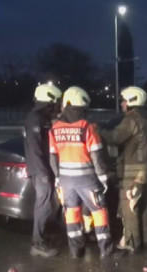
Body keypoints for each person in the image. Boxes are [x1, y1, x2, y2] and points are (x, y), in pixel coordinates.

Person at [48, 86, 113, 258]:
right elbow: (96, 156)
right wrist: (103, 178)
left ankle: (76, 250)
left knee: (72, 213)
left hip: (66, 181)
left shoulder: (55, 129)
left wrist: (58, 179)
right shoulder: (87, 127)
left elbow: (53, 157)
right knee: (99, 211)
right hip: (87, 180)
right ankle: (106, 250)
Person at [100, 86, 147, 252]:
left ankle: (132, 242)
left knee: (128, 207)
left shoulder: (130, 121)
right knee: (142, 206)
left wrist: (99, 131)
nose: (122, 104)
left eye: (124, 101)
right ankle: (146, 239)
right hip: (145, 171)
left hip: (132, 172)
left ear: (131, 101)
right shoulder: (146, 122)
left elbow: (115, 137)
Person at [24, 84, 63, 258]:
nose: (57, 105)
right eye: (56, 102)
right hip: (41, 171)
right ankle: (38, 243)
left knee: (46, 203)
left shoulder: (40, 118)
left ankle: (40, 237)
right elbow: (35, 149)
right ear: (49, 100)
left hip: (43, 169)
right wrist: (44, 172)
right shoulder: (35, 119)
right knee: (44, 204)